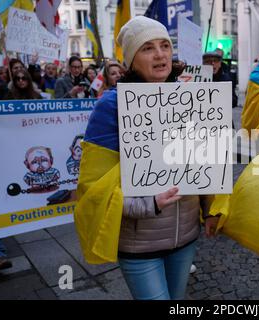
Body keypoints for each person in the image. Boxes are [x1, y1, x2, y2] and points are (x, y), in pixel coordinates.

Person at [75, 16, 218, 300]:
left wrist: (210, 209)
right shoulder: (111, 106)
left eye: (165, 45)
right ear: (131, 60)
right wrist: (148, 204)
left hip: (186, 236)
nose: (160, 54)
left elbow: (205, 163)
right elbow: (95, 187)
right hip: (139, 244)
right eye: (148, 48)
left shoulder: (192, 98)